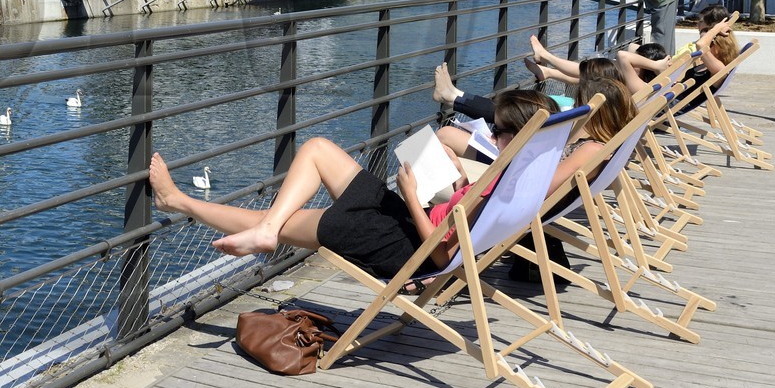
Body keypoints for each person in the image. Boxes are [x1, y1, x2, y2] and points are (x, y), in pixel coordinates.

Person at [147, 88, 604, 282]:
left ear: (511, 140)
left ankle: (180, 201)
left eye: (496, 131)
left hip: (402, 244)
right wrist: (458, 183)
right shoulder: (518, 176)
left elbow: (441, 253)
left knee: (285, 222)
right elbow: (461, 226)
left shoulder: (498, 187)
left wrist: (411, 195)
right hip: (409, 221)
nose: (490, 135)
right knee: (319, 147)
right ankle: (263, 230)